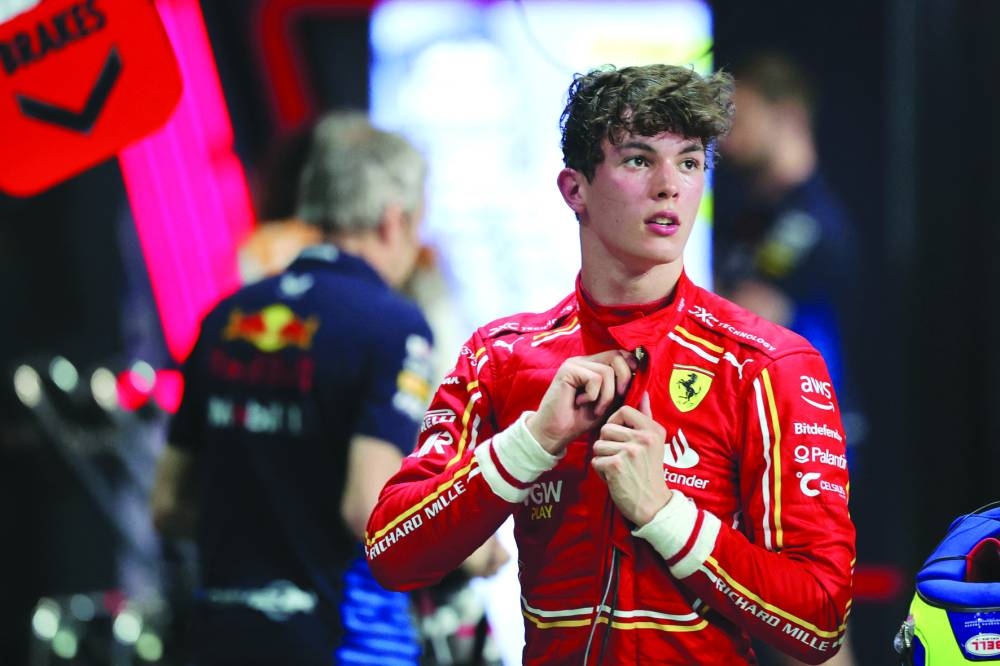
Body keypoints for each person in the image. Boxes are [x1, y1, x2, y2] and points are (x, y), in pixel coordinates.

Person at [365, 64, 855, 665]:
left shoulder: (770, 364)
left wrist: (665, 515)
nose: (670, 185)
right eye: (639, 160)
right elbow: (391, 553)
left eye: (690, 161)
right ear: (575, 190)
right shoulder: (500, 357)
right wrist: (531, 443)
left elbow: (821, 618)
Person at [151, 113, 436, 665]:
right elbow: (371, 512)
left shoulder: (224, 317)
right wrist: (465, 542)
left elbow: (168, 506)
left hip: (220, 635)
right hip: (336, 642)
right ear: (392, 219)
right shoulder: (393, 326)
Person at [713, 51, 864, 451]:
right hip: (753, 425)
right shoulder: (745, 217)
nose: (727, 139)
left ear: (788, 116)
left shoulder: (815, 222)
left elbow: (749, 318)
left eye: (741, 120)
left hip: (807, 434)